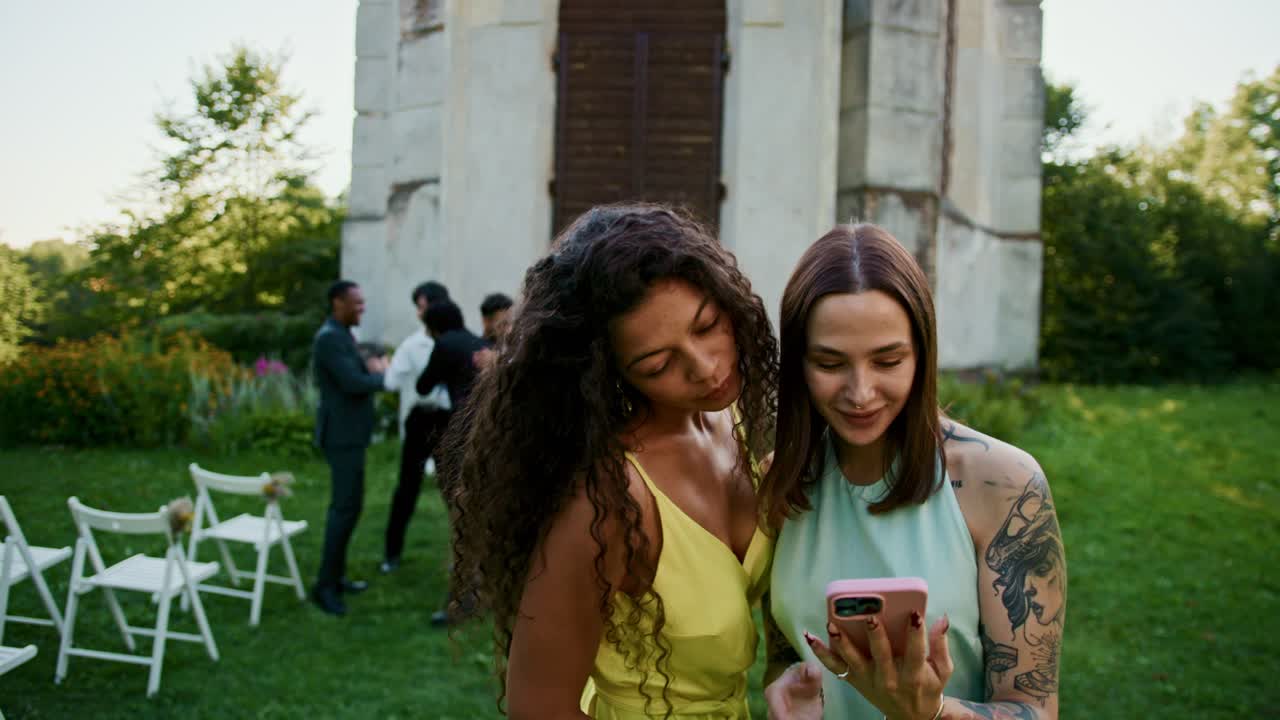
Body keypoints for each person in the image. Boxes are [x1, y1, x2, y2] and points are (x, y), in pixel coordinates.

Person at [440, 203, 779, 719]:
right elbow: (538, 709)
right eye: (658, 364)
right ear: (609, 376)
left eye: (708, 325)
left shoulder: (731, 420)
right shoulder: (605, 505)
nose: (707, 368)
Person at [761, 225, 1067, 720]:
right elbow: (785, 652)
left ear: (922, 356)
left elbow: (1034, 709)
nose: (860, 392)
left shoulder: (1003, 485)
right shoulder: (780, 483)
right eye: (829, 362)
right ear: (799, 365)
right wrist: (785, 689)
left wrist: (929, 712)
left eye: (887, 360)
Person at [310, 280, 389, 616]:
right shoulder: (329, 339)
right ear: (336, 303)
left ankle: (336, 576)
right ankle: (324, 587)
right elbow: (353, 383)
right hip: (341, 437)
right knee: (343, 509)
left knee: (350, 507)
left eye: (362, 302)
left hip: (350, 435)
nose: (362, 308)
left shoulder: (341, 335)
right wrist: (390, 378)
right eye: (356, 303)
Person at [380, 281, 453, 575]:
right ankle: (391, 553)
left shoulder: (457, 340)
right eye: (419, 308)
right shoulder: (412, 345)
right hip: (421, 420)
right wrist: (384, 369)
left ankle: (462, 556)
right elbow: (391, 382)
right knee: (407, 488)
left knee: (455, 491)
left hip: (450, 421)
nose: (419, 314)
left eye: (422, 307)